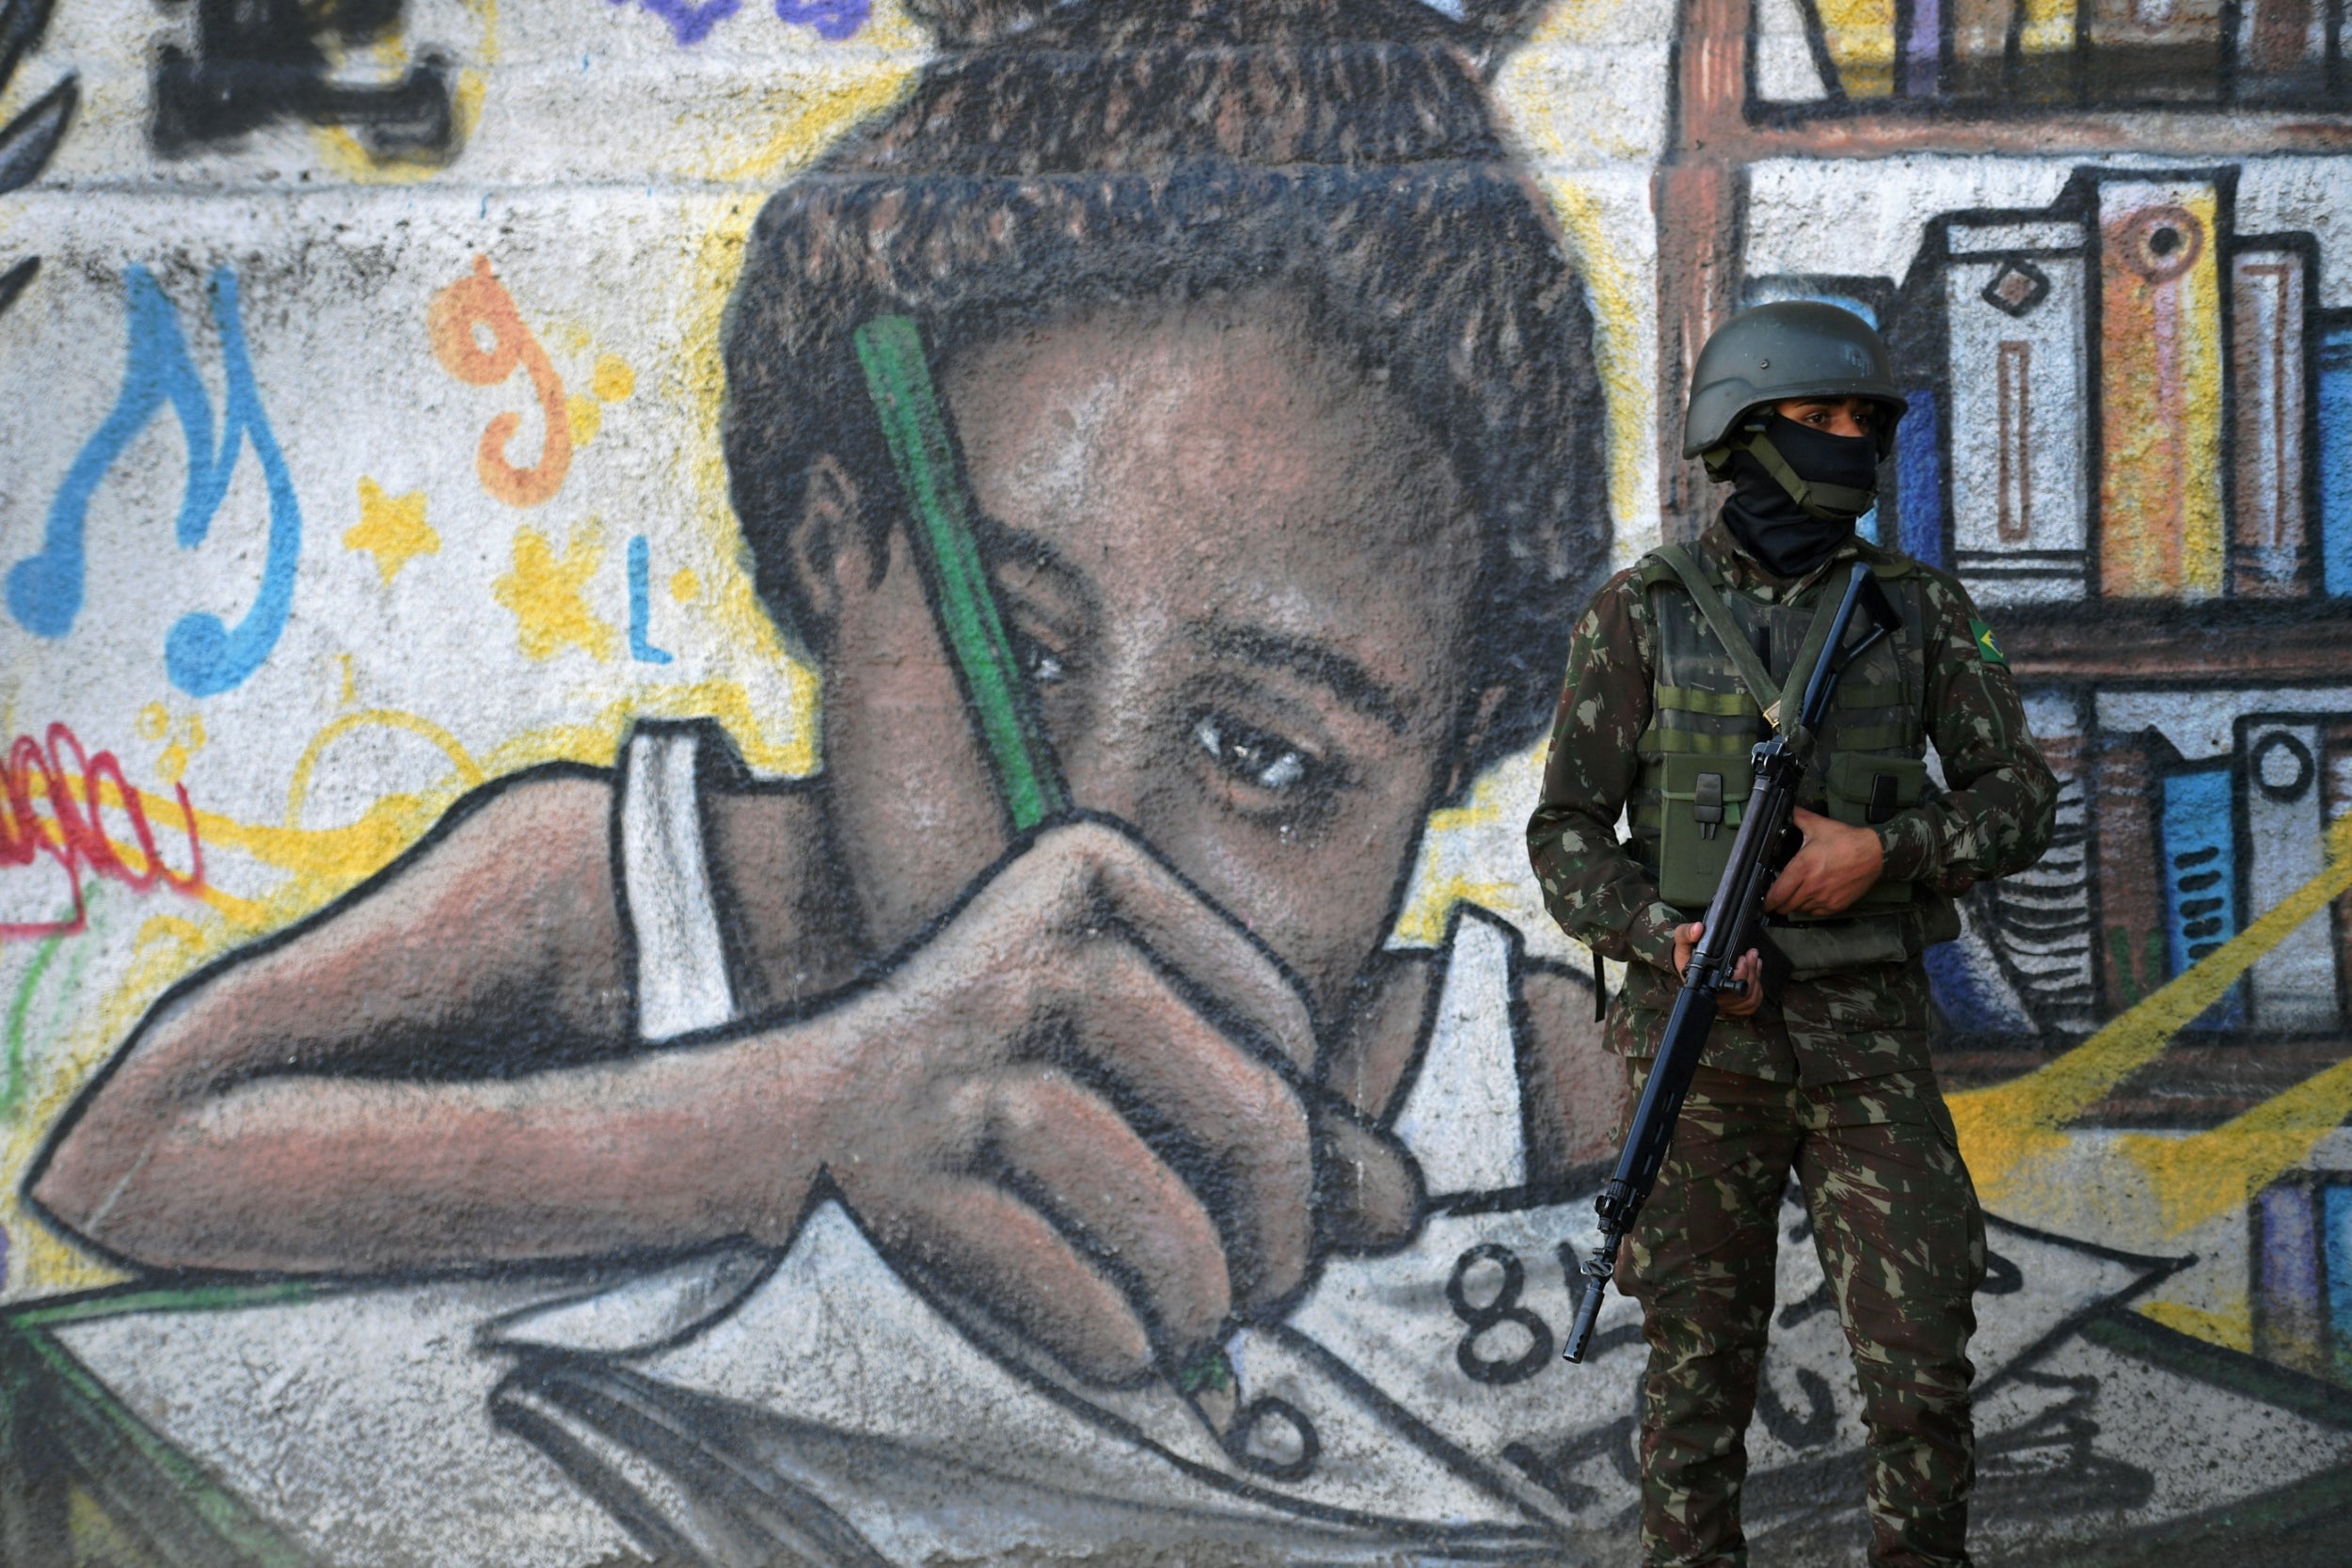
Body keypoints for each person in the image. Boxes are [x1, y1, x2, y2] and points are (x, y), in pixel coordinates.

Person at [28, 0, 1616, 1399]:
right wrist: (794, 1117)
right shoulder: (619, 895)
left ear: (1457, 744)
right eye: (1026, 652)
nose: (1088, 835)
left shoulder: (1526, 1082)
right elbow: (123, 1159)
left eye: (1265, 754)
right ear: (837, 547)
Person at [1526, 300, 2058, 1568]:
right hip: (1697, 1042)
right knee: (1698, 1374)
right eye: (1820, 420)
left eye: (1865, 423)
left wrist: (1888, 854)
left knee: (1921, 1357)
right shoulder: (1638, 616)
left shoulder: (1918, 610)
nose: (1851, 445)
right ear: (1744, 434)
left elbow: (2021, 797)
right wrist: (1663, 935)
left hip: (1867, 1039)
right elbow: (1565, 835)